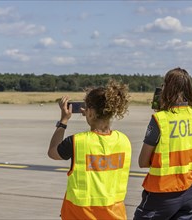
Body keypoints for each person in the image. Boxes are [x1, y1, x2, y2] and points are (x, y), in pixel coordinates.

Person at [48, 79, 131, 220]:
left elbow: (52, 152)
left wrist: (63, 121)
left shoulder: (77, 141)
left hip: (80, 215)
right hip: (115, 214)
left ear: (90, 112)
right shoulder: (124, 140)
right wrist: (91, 115)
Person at [134, 67, 192, 220]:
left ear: (167, 88)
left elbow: (142, 161)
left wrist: (160, 113)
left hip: (161, 193)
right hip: (188, 192)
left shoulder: (160, 119)